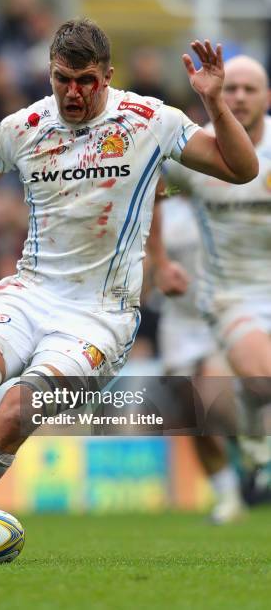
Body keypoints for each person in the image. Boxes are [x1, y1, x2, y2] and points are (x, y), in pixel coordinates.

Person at [0, 19, 258, 562]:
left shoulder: (152, 120)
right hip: (30, 292)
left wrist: (216, 106)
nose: (74, 92)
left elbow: (242, 168)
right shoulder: (25, 126)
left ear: (108, 76)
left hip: (100, 317)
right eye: (63, 78)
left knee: (16, 414)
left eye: (87, 80)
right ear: (50, 73)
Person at [151, 54, 271, 516]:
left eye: (249, 89)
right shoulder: (197, 152)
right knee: (229, 390)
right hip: (231, 292)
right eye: (232, 87)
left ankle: (255, 451)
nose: (239, 96)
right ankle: (234, 483)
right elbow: (156, 197)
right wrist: (159, 262)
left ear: (266, 97)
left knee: (240, 390)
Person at [150, 191, 245, 523]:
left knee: (216, 399)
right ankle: (228, 496)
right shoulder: (163, 210)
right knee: (189, 412)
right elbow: (148, 259)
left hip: (224, 312)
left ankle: (251, 455)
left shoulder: (231, 199)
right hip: (179, 320)